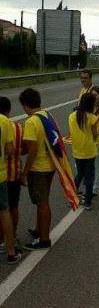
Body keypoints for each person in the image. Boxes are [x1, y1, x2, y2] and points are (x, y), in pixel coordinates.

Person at [19, 88, 56, 250]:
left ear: (26, 105)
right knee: (43, 200)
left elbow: (31, 150)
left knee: (42, 203)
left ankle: (44, 239)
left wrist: (24, 173)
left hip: (39, 168)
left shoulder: (31, 121)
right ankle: (38, 229)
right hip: (50, 165)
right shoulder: (46, 115)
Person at [0, 99, 22, 264]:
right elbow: (10, 150)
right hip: (3, 175)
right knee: (5, 210)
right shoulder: (6, 123)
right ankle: (11, 250)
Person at [69, 93, 98, 210]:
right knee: (89, 176)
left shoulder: (71, 116)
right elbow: (95, 135)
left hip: (77, 150)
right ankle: (88, 201)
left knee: (79, 173)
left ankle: (73, 195)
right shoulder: (92, 117)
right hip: (89, 150)